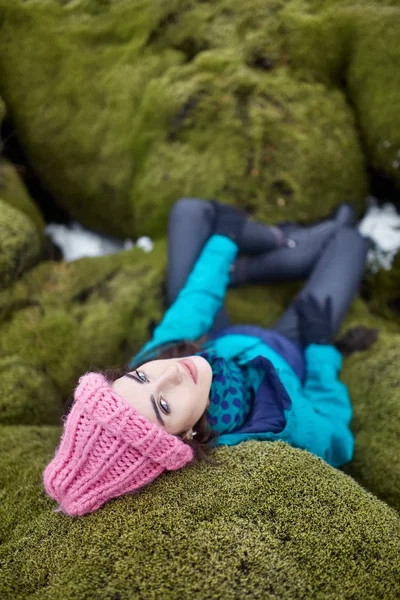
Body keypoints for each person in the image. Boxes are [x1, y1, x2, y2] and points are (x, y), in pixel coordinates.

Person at [43, 198, 370, 517]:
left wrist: (225, 241)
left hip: (223, 337)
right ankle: (291, 242)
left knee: (191, 212)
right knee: (350, 243)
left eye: (140, 377)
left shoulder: (160, 360)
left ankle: (256, 256)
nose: (170, 373)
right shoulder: (276, 429)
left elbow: (191, 308)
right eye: (164, 406)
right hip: (290, 344)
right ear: (186, 438)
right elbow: (337, 437)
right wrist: (321, 348)